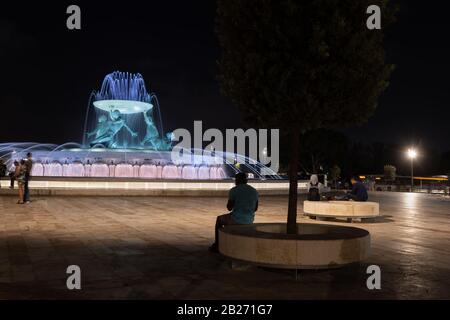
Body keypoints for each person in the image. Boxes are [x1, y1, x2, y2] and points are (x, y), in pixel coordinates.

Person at [209, 172, 259, 253]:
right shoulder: (254, 191)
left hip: (236, 219)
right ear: (246, 180)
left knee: (219, 219)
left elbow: (229, 208)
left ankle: (217, 245)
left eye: (235, 180)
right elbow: (255, 208)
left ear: (237, 180)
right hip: (250, 219)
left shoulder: (234, 190)